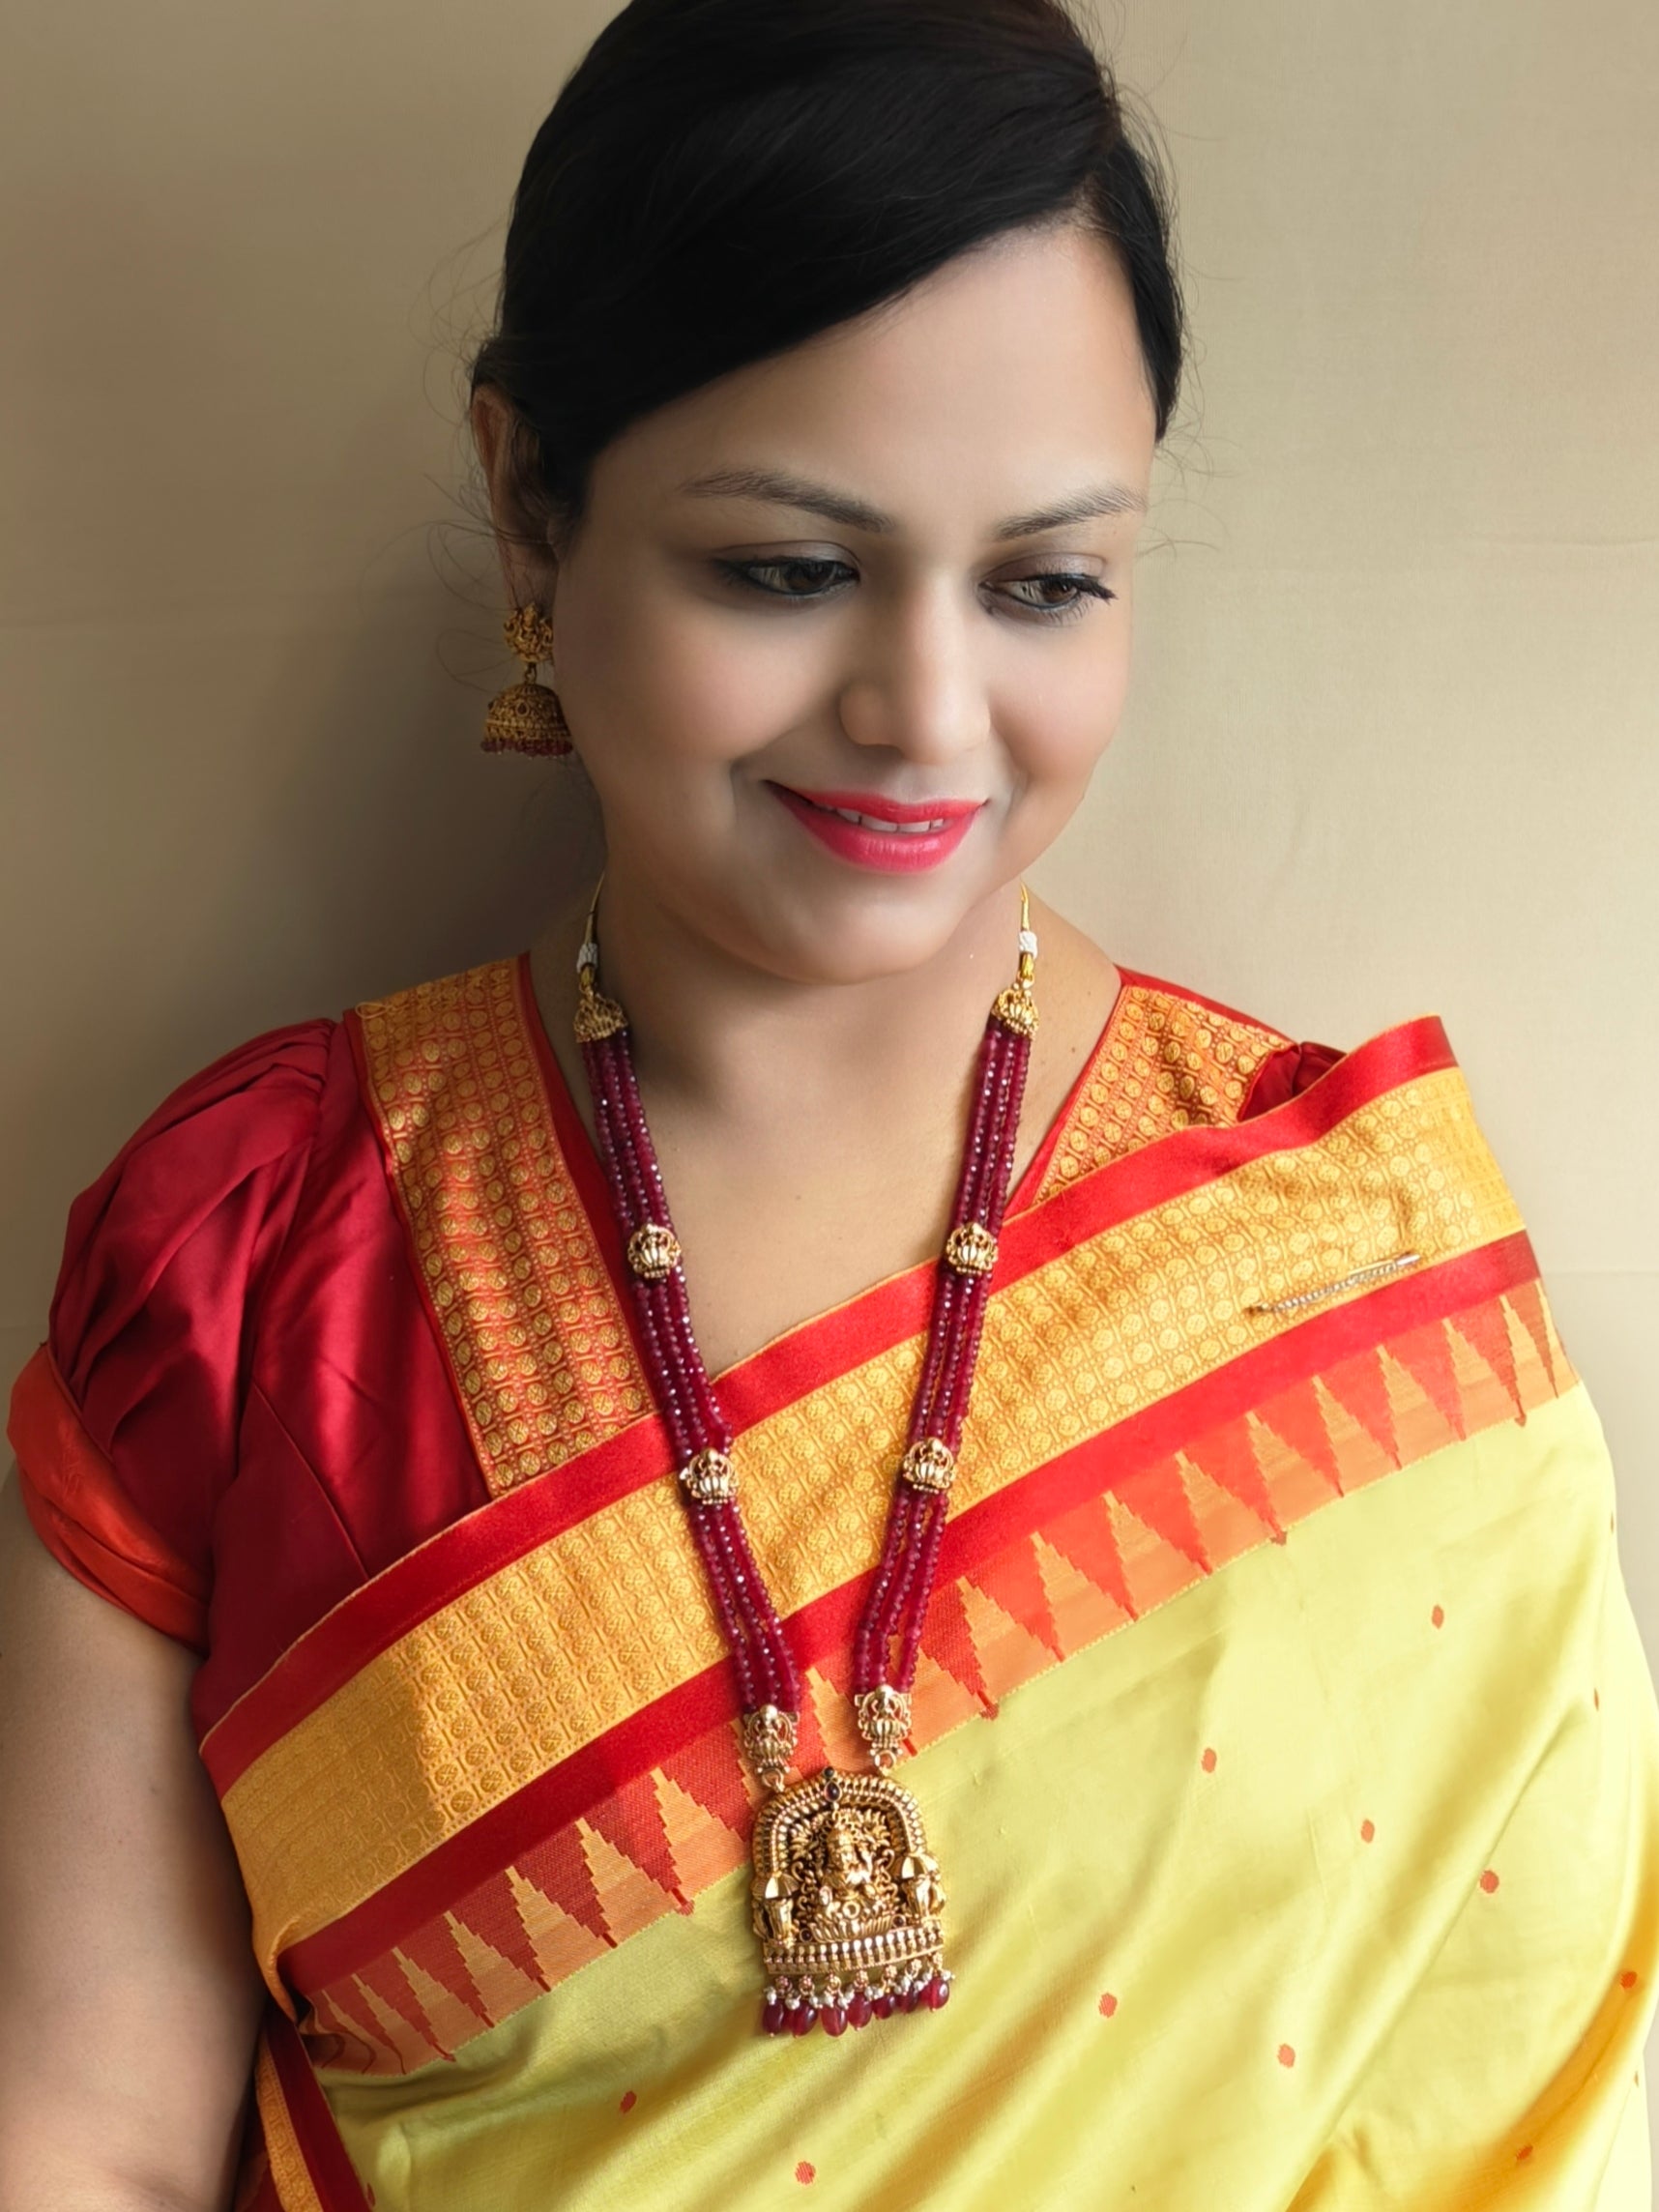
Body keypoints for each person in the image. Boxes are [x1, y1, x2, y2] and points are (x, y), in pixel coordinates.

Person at [3, 0, 1656, 2204]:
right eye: (788, 570)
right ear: (529, 504)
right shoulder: (248, 1272)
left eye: (1045, 582)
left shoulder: (1342, 1275)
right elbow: (84, 2143)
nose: (926, 710)